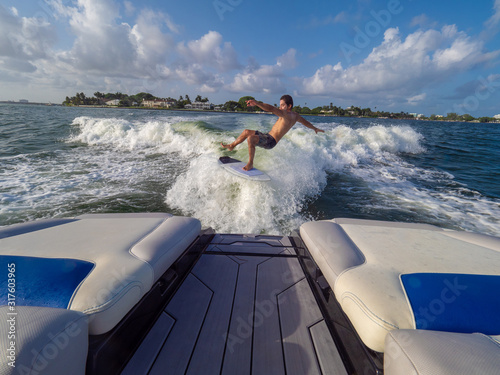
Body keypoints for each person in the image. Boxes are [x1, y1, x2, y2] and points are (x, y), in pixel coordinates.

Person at [221, 95, 325, 170]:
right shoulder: (295, 116)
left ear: (289, 106)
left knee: (251, 139)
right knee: (246, 132)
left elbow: (271, 108)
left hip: (271, 141)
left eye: (282, 105)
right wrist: (314, 128)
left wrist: (257, 103)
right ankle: (232, 145)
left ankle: (250, 163)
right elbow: (305, 122)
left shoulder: (286, 114)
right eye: (280, 105)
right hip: (267, 136)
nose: (280, 108)